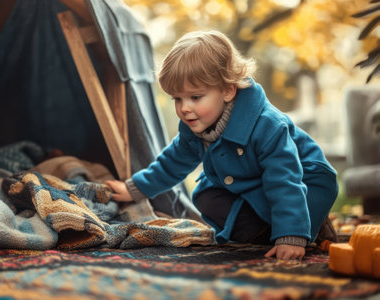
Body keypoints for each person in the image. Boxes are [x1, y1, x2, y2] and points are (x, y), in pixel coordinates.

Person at [105, 30, 338, 261]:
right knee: (206, 197)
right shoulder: (195, 124)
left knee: (286, 214)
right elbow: (173, 162)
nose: (184, 108)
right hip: (251, 184)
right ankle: (271, 231)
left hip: (306, 182)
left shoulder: (267, 126)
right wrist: (134, 189)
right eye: (177, 98)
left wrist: (290, 235)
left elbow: (284, 180)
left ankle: (305, 226)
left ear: (227, 90)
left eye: (195, 97)